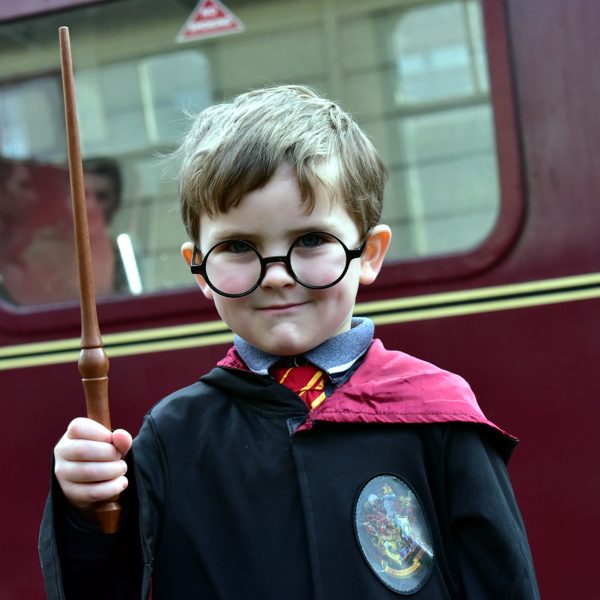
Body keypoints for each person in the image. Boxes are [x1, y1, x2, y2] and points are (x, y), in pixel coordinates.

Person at [39, 85, 539, 599]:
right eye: (238, 246)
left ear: (369, 253)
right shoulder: (173, 436)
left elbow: (502, 582)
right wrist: (84, 511)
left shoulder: (437, 415)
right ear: (200, 269)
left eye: (311, 240)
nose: (276, 276)